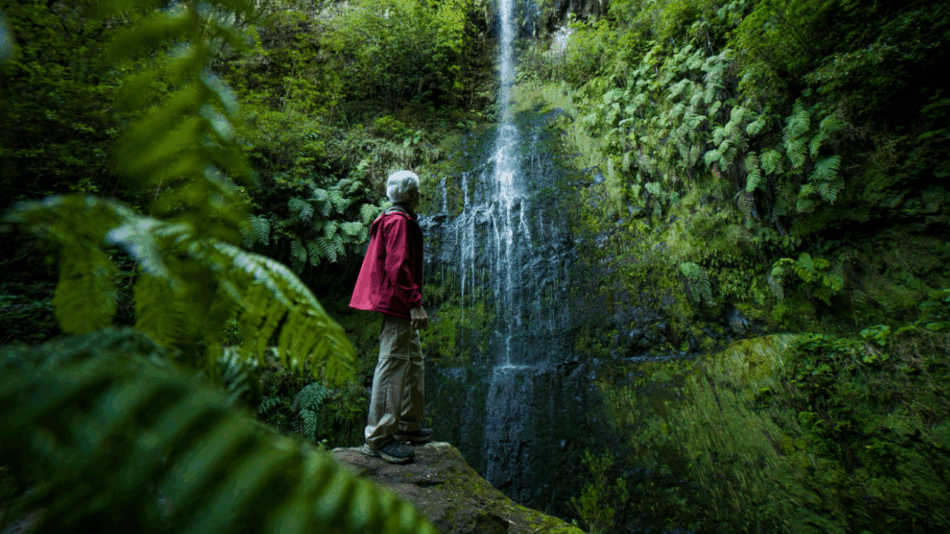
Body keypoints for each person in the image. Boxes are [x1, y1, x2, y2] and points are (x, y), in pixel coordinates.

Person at [350, 170, 433, 464]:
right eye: (418, 192)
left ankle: (409, 424)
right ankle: (379, 438)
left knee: (413, 360)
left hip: (400, 302)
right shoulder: (398, 221)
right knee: (393, 364)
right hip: (399, 303)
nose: (420, 196)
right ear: (411, 195)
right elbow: (397, 266)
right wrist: (414, 303)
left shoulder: (398, 218)